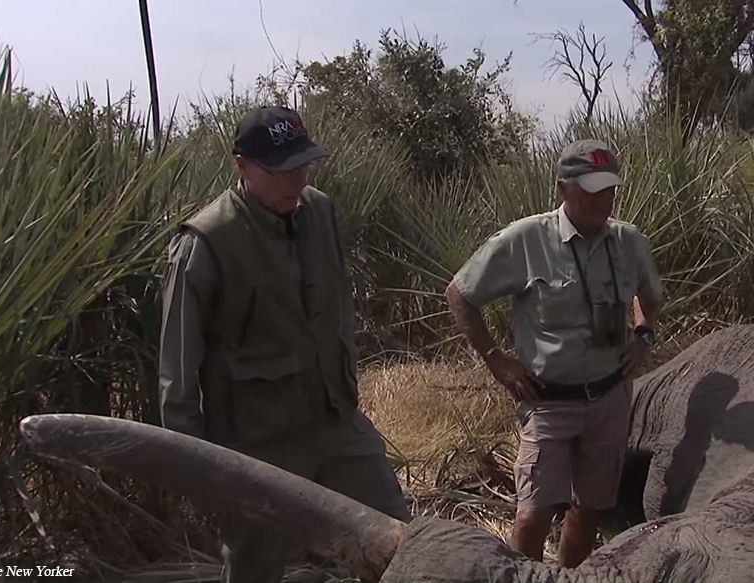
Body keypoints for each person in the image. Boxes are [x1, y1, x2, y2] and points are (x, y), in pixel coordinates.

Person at [158, 105, 410, 582]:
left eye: (304, 164)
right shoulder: (206, 242)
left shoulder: (321, 212)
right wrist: (194, 467)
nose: (297, 179)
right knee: (256, 566)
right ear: (242, 165)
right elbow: (178, 370)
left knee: (399, 541)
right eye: (282, 170)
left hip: (337, 423)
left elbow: (334, 310)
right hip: (258, 443)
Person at [444, 139, 663, 567]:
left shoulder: (629, 242)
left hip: (608, 399)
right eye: (591, 190)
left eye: (610, 190)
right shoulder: (526, 239)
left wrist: (644, 335)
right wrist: (496, 359)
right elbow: (459, 294)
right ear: (563, 189)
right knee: (533, 513)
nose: (603, 201)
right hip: (548, 402)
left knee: (589, 509)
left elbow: (650, 296)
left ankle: (568, 576)